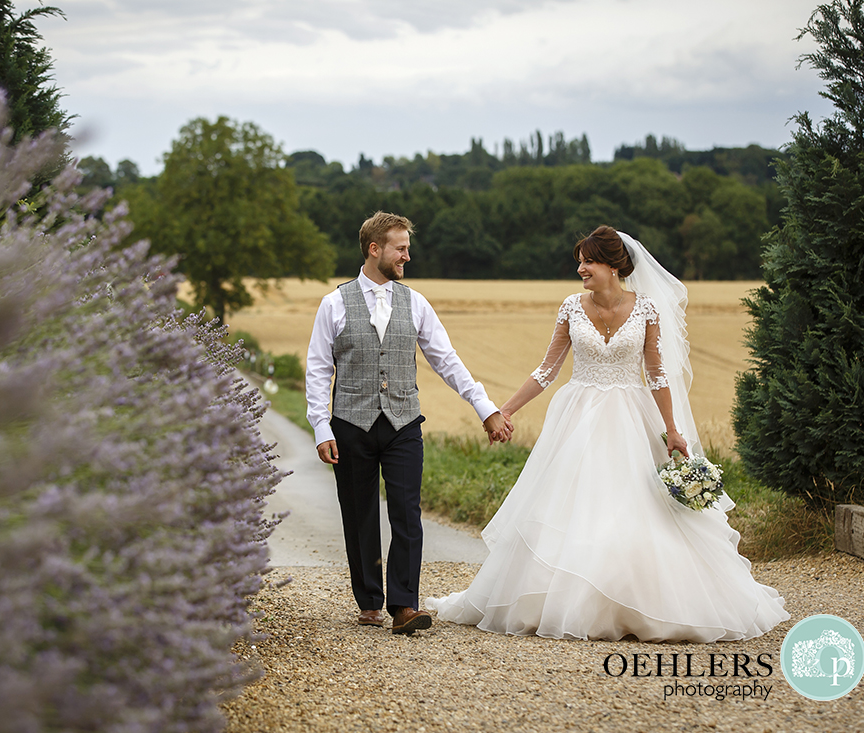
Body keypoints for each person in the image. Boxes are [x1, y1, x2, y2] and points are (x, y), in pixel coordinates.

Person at [426, 226, 789, 642]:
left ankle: (639, 600)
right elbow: (546, 371)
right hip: (578, 417)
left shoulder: (647, 309)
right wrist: (503, 410)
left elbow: (656, 375)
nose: (580, 268)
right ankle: (567, 601)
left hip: (631, 418)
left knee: (636, 507)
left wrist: (672, 430)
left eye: (588, 261)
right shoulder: (570, 307)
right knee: (574, 504)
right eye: (579, 261)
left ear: (614, 266)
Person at [306, 211, 512, 635]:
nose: (408, 256)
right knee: (359, 514)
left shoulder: (415, 303)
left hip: (403, 424)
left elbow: (446, 361)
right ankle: (368, 600)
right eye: (401, 248)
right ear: (374, 249)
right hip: (350, 424)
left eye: (407, 247)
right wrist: (321, 427)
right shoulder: (334, 303)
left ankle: (404, 604)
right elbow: (317, 369)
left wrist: (485, 408)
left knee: (406, 513)